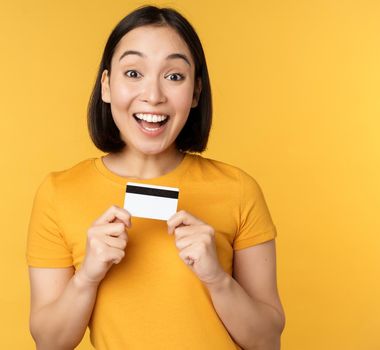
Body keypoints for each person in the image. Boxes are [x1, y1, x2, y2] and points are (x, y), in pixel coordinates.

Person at [25, 5, 285, 350]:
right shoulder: (59, 193)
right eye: (133, 73)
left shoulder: (238, 190)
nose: (153, 95)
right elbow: (49, 343)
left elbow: (267, 341)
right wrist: (86, 277)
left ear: (195, 93)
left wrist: (217, 279)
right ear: (106, 85)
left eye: (174, 76)